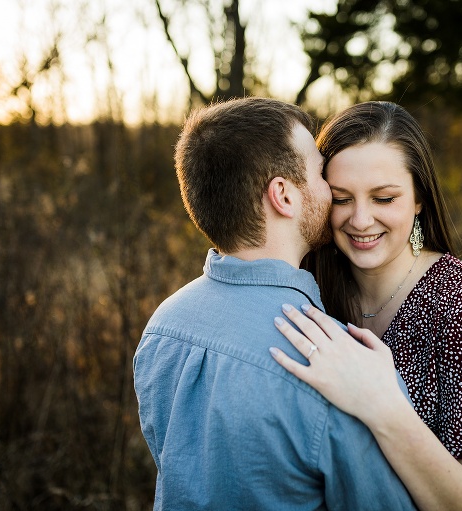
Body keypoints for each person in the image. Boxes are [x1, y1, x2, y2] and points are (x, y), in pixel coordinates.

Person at [133, 97, 417, 510]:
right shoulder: (334, 364)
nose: (329, 188)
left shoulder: (163, 326)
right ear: (283, 195)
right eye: (321, 173)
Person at [270, 101, 462, 511]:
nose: (360, 220)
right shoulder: (310, 287)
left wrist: (384, 407)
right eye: (342, 198)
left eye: (384, 198)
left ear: (419, 198)